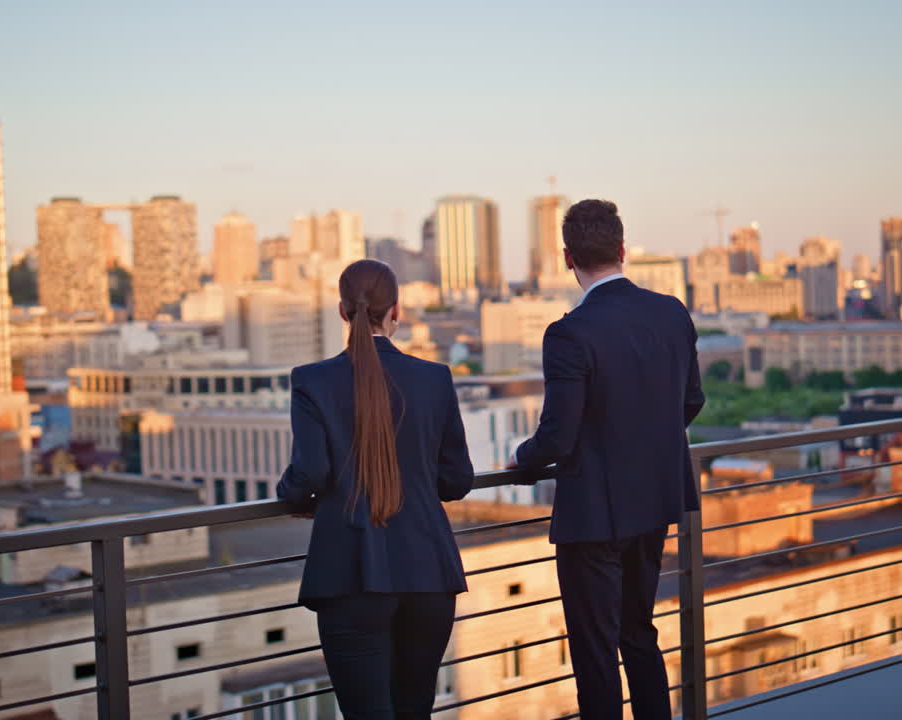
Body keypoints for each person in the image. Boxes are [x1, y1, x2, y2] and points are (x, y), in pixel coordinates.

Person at [510, 199, 704, 720]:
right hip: (654, 499)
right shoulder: (671, 312)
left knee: (595, 652)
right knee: (638, 632)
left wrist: (519, 457)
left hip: (594, 513)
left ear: (567, 258)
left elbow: (556, 437)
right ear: (622, 249)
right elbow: (691, 400)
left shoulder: (569, 332)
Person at [277, 259, 475, 719]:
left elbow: (309, 475)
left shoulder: (312, 381)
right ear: (396, 312)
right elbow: (457, 480)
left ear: (342, 311)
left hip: (350, 577)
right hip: (428, 573)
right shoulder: (435, 378)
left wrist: (297, 496)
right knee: (415, 710)